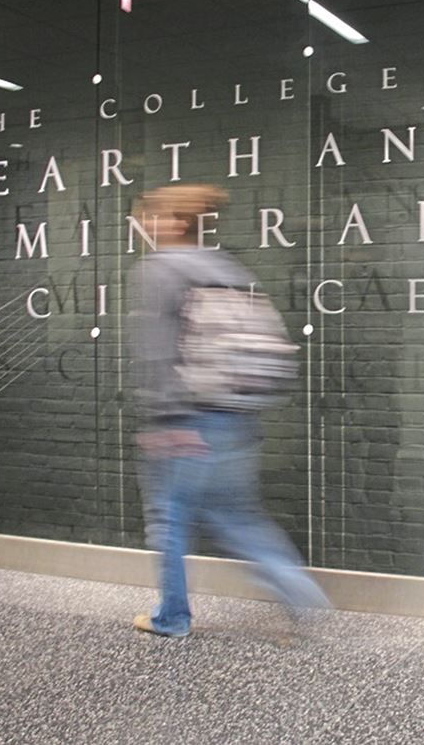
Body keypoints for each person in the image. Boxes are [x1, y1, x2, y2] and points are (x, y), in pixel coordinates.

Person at [129, 184, 328, 639]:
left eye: (150, 217)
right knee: (236, 515)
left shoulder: (158, 269)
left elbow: (156, 352)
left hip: (186, 419)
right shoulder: (226, 267)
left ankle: (172, 617)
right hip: (236, 415)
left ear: (176, 222)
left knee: (169, 518)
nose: (144, 226)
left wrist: (164, 419)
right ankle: (297, 587)